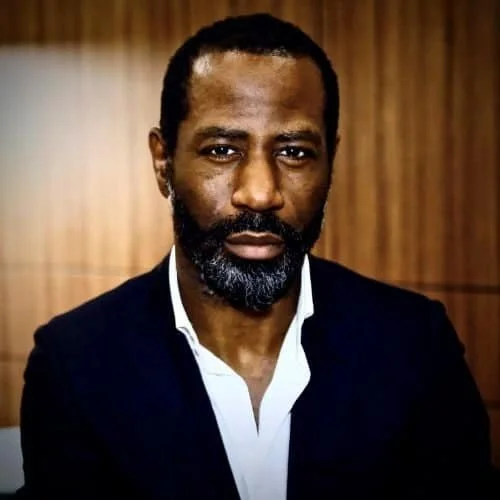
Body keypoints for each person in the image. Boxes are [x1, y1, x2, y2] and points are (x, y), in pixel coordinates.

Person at [17, 13, 495, 500]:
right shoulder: (75, 364)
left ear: (330, 161)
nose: (261, 193)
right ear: (163, 162)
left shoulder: (415, 346)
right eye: (222, 150)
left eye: (295, 152)